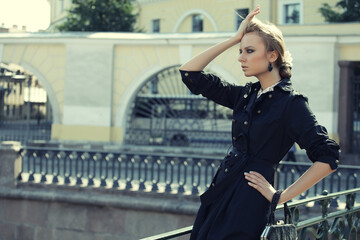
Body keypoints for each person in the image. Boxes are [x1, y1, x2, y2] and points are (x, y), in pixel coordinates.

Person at [179, 6, 340, 240]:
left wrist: (281, 196)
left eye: (249, 50)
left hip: (250, 200)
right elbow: (189, 74)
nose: (241, 57)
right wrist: (234, 38)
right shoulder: (245, 95)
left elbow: (328, 156)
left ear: (272, 55)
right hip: (222, 190)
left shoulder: (291, 104)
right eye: (241, 50)